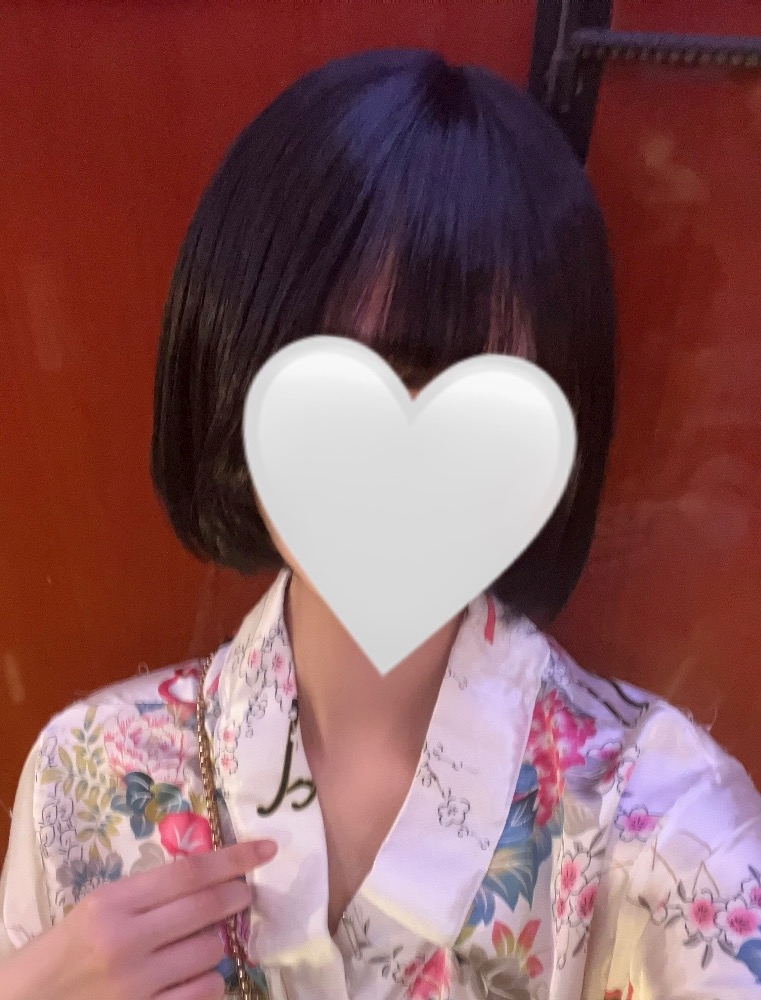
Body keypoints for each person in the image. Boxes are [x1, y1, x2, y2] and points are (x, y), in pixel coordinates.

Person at [1, 47, 760, 1000]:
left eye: (460, 396)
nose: (394, 451)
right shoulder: (85, 778)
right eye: (332, 386)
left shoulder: (669, 833)